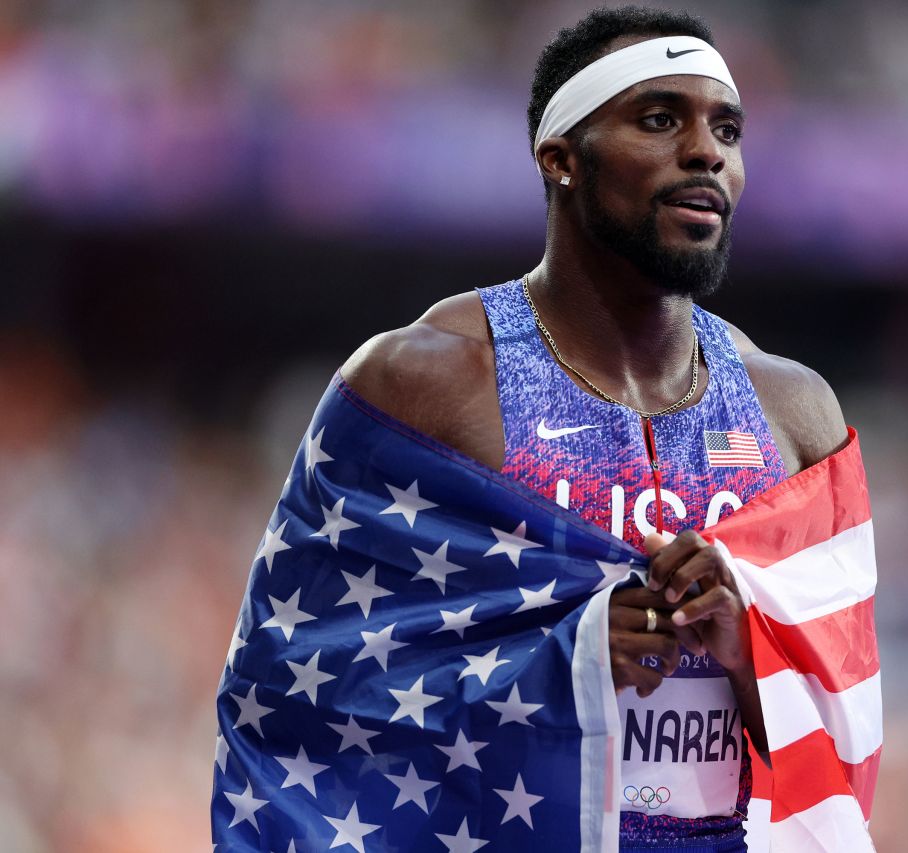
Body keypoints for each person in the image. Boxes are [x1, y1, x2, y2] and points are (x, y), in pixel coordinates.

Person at [339, 7, 849, 851]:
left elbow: (844, 738)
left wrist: (748, 644)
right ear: (561, 159)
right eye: (659, 119)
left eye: (726, 128)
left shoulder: (796, 417)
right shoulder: (419, 383)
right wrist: (562, 664)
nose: (706, 152)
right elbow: (312, 696)